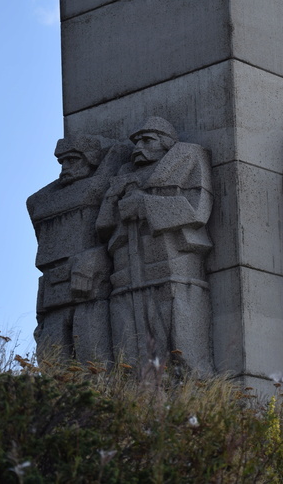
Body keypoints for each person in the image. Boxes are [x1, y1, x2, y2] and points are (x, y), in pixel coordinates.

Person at [96, 116, 214, 373]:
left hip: (173, 258)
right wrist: (114, 196)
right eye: (136, 141)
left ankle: (191, 383)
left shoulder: (187, 158)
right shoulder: (124, 176)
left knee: (178, 325)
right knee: (130, 334)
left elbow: (197, 210)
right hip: (128, 263)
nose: (138, 146)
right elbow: (103, 226)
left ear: (167, 142)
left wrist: (145, 204)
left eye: (147, 139)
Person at [27, 136, 120, 365]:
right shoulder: (48, 198)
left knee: (93, 356)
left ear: (90, 160)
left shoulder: (101, 185)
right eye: (62, 162)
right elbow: (33, 202)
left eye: (73, 160)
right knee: (52, 360)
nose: (66, 168)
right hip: (51, 284)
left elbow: (110, 236)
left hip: (89, 280)